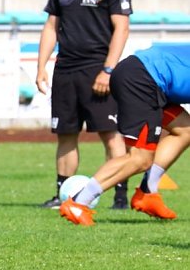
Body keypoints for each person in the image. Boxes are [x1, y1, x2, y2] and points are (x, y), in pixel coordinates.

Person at [35, 0, 131, 210]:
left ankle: (120, 197)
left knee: (109, 133)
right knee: (65, 133)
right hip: (65, 70)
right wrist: (41, 67)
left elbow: (121, 28)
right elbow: (51, 26)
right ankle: (62, 194)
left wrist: (108, 70)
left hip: (98, 69)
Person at [59, 43, 190, 226]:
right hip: (142, 79)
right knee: (140, 158)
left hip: (146, 77)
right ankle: (78, 203)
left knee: (185, 130)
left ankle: (147, 193)